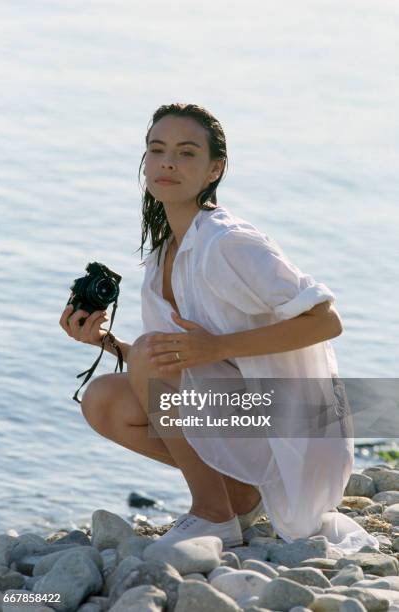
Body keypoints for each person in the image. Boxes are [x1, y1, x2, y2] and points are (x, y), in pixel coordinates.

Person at [59, 103, 379, 553]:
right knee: (102, 398)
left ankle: (212, 513)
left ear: (215, 169)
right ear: (145, 163)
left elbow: (327, 321)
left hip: (290, 426)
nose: (168, 162)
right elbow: (174, 363)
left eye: (186, 153)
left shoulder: (228, 242)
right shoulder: (164, 254)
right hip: (242, 411)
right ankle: (239, 496)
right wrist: (104, 342)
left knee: (152, 354)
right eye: (157, 149)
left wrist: (214, 347)